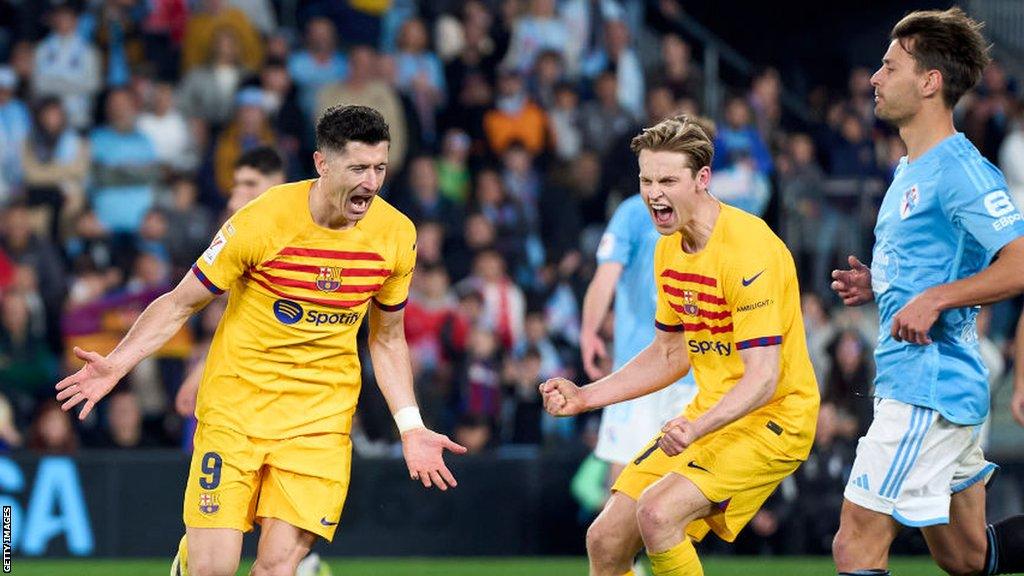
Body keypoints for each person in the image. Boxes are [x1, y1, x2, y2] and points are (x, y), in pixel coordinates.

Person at [55, 105, 466, 576]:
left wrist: (410, 427)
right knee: (213, 569)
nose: (371, 183)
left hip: (319, 424)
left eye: (379, 168)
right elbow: (179, 303)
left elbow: (388, 339)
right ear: (322, 163)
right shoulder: (262, 221)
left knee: (277, 569)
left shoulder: (396, 235)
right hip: (236, 412)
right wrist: (117, 362)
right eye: (358, 168)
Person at [541, 114, 819, 576]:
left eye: (668, 179)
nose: (653, 192)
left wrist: (698, 424)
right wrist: (585, 397)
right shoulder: (667, 249)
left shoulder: (749, 250)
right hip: (710, 415)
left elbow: (764, 377)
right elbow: (670, 354)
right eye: (647, 179)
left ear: (702, 179)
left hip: (773, 418)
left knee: (657, 514)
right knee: (605, 541)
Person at [829, 9, 1024, 576]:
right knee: (969, 558)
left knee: (854, 544)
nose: (874, 78)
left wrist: (935, 299)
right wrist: (884, 283)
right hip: (937, 386)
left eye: (890, 66)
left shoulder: (962, 170)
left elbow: (1018, 262)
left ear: (930, 82)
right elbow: (935, 265)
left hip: (926, 389)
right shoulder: (910, 168)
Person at [581, 192, 697, 487]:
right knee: (677, 488)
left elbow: (606, 275)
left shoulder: (633, 211)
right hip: (679, 371)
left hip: (646, 373)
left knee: (626, 484)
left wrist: (589, 332)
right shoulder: (707, 211)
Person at [173, 146, 287, 419]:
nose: (236, 199)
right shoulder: (240, 238)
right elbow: (240, 322)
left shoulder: (306, 237)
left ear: (279, 183)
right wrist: (201, 373)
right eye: (236, 186)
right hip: (251, 388)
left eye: (250, 184)